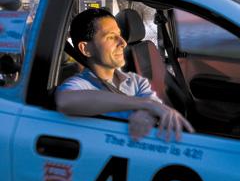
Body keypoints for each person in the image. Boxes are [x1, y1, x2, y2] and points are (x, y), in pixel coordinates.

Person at [55, 8, 194, 141]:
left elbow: (154, 109)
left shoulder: (136, 81)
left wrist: (144, 111)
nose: (123, 42)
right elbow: (65, 101)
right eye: (110, 37)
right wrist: (144, 104)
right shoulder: (80, 83)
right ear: (85, 49)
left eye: (120, 35)